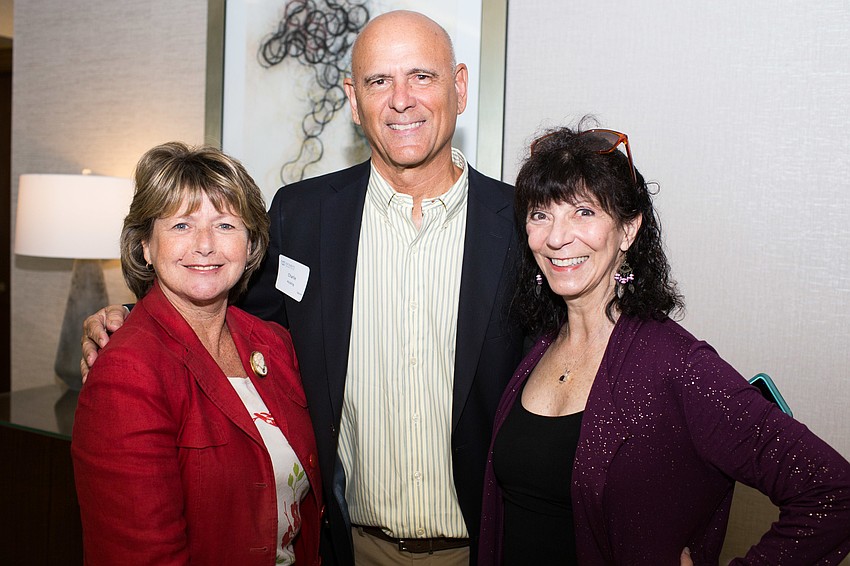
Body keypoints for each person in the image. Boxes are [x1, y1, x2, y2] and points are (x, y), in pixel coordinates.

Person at [81, 11, 524, 566]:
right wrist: (125, 317)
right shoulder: (304, 215)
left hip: (486, 548)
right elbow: (223, 304)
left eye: (422, 77)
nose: (401, 100)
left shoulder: (521, 225)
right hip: (347, 548)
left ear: (458, 86)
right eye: (378, 81)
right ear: (351, 97)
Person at [477, 124, 850, 565]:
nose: (557, 238)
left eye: (583, 212)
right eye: (541, 214)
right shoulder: (536, 346)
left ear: (628, 230)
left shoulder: (675, 364)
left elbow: (834, 492)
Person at [72, 142, 323, 565]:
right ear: (146, 246)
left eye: (225, 225)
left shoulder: (274, 344)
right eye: (182, 226)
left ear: (250, 245)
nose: (205, 245)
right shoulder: (125, 373)